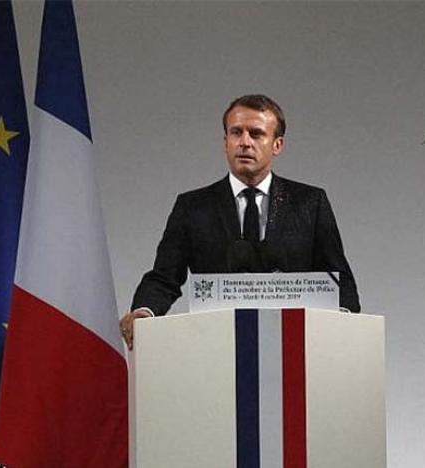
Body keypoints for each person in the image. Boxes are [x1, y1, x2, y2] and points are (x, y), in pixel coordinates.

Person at [120, 94, 360, 349]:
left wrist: (341, 325)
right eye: (236, 133)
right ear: (225, 142)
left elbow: (338, 278)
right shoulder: (192, 207)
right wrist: (144, 313)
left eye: (256, 134)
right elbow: (164, 277)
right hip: (216, 347)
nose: (245, 142)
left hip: (293, 350)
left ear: (277, 145)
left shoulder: (310, 203)